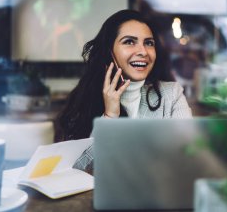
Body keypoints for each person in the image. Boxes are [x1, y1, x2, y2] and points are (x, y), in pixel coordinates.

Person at [54, 9, 192, 171]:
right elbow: (77, 170)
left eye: (149, 43)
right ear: (109, 51)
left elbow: (187, 155)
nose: (143, 52)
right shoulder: (83, 101)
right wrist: (110, 116)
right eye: (129, 42)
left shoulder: (171, 94)